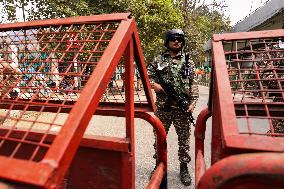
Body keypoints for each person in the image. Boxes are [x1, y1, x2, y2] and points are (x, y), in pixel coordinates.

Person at [147, 29, 199, 186]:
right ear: (167, 41)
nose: (177, 42)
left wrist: (192, 103)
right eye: (174, 39)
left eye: (180, 39)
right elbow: (147, 77)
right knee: (159, 139)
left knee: (184, 141)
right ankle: (158, 166)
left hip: (182, 109)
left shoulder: (188, 61)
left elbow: (193, 84)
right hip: (163, 108)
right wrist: (156, 86)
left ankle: (183, 167)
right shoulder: (158, 60)